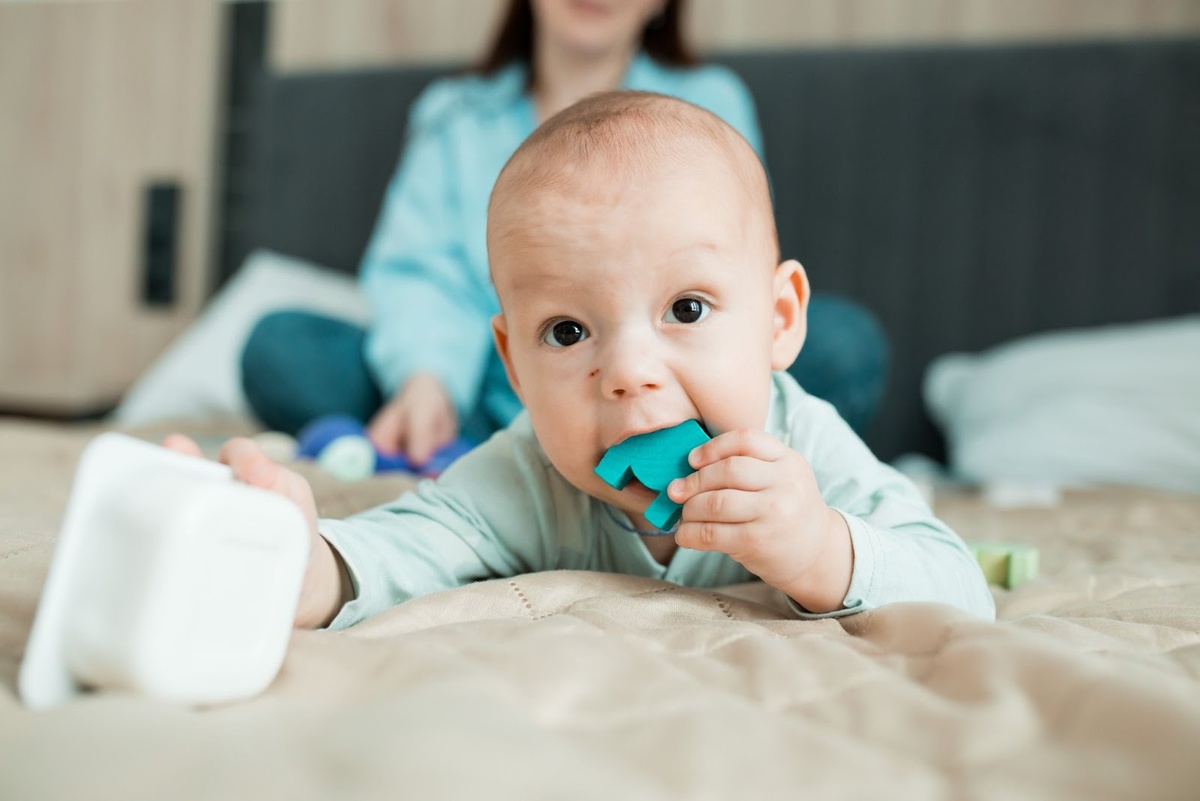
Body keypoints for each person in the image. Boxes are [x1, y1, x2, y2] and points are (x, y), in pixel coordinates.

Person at [173, 92, 992, 630]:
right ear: (516, 366)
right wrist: (295, 561)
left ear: (779, 320)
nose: (630, 372)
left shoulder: (802, 445)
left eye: (686, 309)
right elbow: (401, 551)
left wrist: (821, 548)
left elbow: (961, 588)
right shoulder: (530, 472)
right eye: (567, 332)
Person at [240, 0, 888, 466]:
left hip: (655, 391)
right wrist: (425, 377)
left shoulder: (711, 102)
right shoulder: (455, 116)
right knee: (281, 347)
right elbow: (417, 269)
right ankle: (459, 437)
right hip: (490, 382)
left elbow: (730, 271)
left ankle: (670, 448)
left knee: (842, 342)